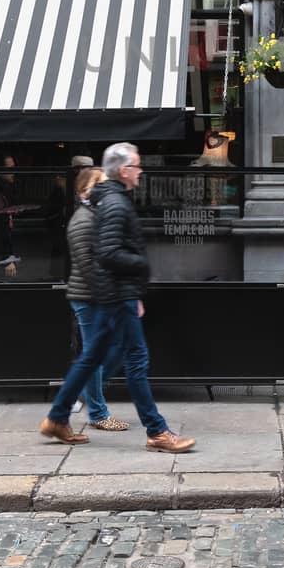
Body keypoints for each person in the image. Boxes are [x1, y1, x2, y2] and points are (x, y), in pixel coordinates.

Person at [40, 141, 195, 454]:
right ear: (123, 170)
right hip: (116, 296)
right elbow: (108, 254)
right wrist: (141, 264)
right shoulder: (114, 204)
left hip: (113, 295)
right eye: (136, 165)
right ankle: (157, 431)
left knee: (92, 358)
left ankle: (58, 416)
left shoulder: (110, 201)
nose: (140, 171)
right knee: (135, 360)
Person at [63, 167, 128, 431]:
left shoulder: (97, 216)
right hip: (90, 298)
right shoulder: (83, 220)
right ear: (82, 192)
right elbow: (89, 266)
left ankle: (83, 393)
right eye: (97, 185)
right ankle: (98, 413)